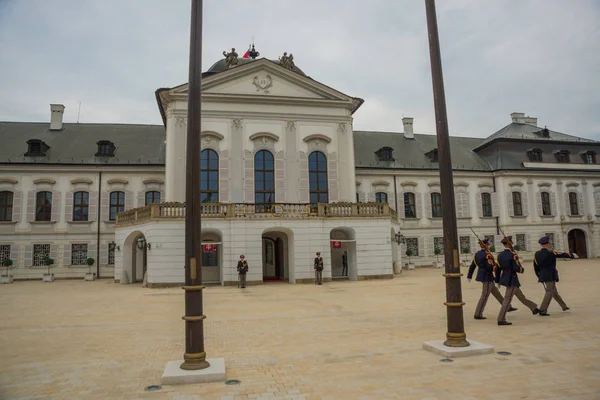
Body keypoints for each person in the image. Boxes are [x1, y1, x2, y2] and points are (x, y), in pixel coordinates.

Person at [467, 238, 517, 320]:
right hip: (487, 276)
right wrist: (496, 267)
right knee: (485, 295)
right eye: (488, 244)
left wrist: (469, 276)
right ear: (486, 245)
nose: (489, 246)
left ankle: (508, 307)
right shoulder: (488, 255)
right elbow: (490, 266)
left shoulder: (477, 254)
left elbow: (473, 265)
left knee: (496, 293)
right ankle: (478, 313)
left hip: (483, 275)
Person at [496, 236, 541, 325]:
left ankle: (533, 308)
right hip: (512, 279)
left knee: (521, 297)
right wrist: (521, 268)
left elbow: (497, 269)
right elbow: (517, 268)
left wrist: (497, 280)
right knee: (507, 300)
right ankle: (501, 319)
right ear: (510, 244)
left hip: (505, 277)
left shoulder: (499, 255)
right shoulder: (513, 255)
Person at [534, 235, 577, 316]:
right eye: (549, 244)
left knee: (554, 292)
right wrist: (572, 255)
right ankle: (542, 310)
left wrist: (539, 276)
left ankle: (563, 306)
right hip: (550, 275)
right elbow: (561, 254)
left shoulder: (537, 254)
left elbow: (535, 266)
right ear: (547, 244)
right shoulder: (551, 253)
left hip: (543, 275)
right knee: (549, 292)